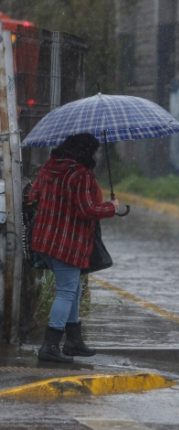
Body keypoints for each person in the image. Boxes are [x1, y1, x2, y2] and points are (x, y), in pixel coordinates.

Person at [27, 133, 119, 363]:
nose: (96, 155)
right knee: (66, 291)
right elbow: (86, 210)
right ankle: (50, 345)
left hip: (45, 239)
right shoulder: (80, 174)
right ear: (85, 151)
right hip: (68, 241)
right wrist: (111, 207)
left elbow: (33, 196)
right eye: (95, 151)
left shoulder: (49, 169)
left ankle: (73, 341)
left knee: (73, 287)